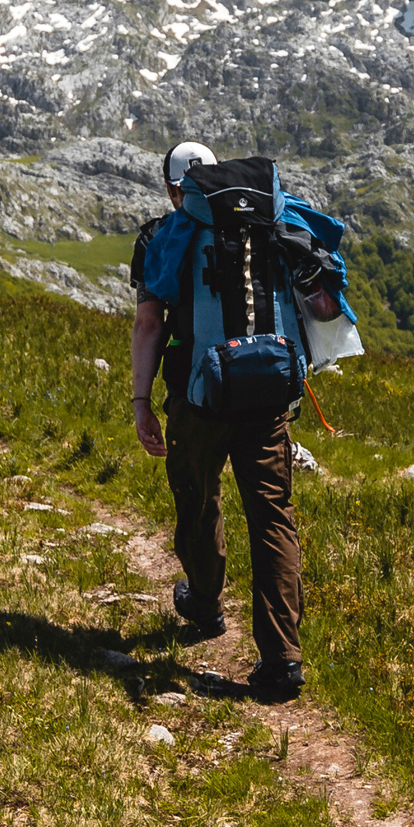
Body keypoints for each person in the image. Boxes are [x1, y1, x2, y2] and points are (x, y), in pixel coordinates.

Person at [127, 141, 304, 702]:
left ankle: (204, 604)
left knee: (197, 499)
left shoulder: (161, 235)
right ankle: (281, 660)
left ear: (171, 187)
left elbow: (150, 324)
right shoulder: (265, 218)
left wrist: (140, 401)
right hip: (269, 391)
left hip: (198, 396)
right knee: (272, 516)